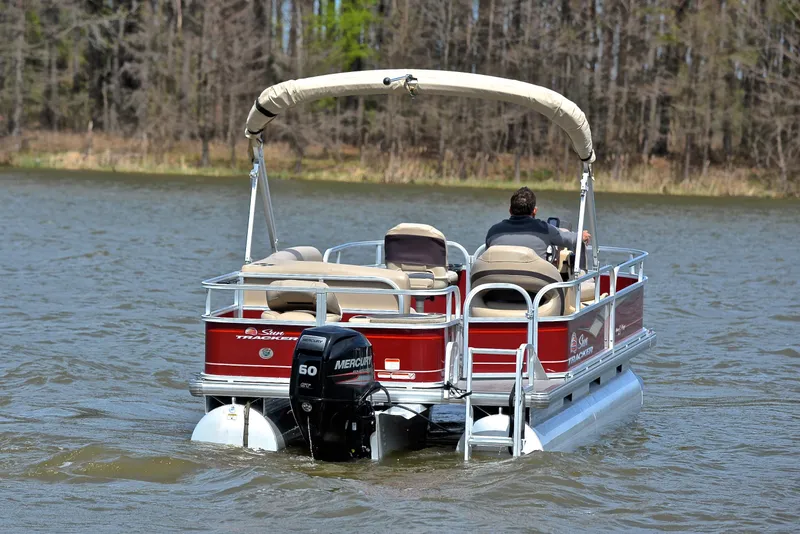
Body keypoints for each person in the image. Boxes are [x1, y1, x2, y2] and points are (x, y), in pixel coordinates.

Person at [485, 187, 590, 259]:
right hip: (536, 285)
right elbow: (569, 239)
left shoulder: (493, 232)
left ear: (510, 210)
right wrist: (581, 235)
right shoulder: (544, 229)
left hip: (498, 284)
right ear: (534, 211)